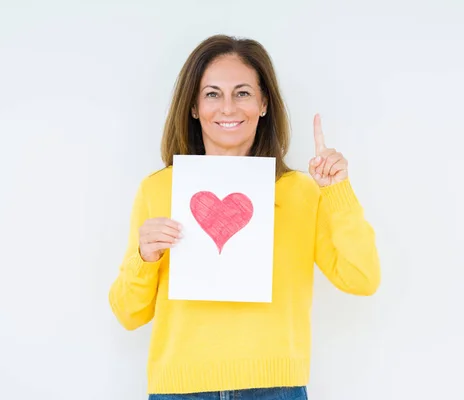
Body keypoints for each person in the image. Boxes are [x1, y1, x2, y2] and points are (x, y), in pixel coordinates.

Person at [108, 34, 381, 400]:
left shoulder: (301, 191)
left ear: (263, 103)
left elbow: (362, 279)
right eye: (212, 94)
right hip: (180, 391)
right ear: (193, 107)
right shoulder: (158, 189)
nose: (227, 108)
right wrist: (144, 259)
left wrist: (337, 191)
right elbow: (129, 315)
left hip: (276, 389)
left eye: (242, 93)